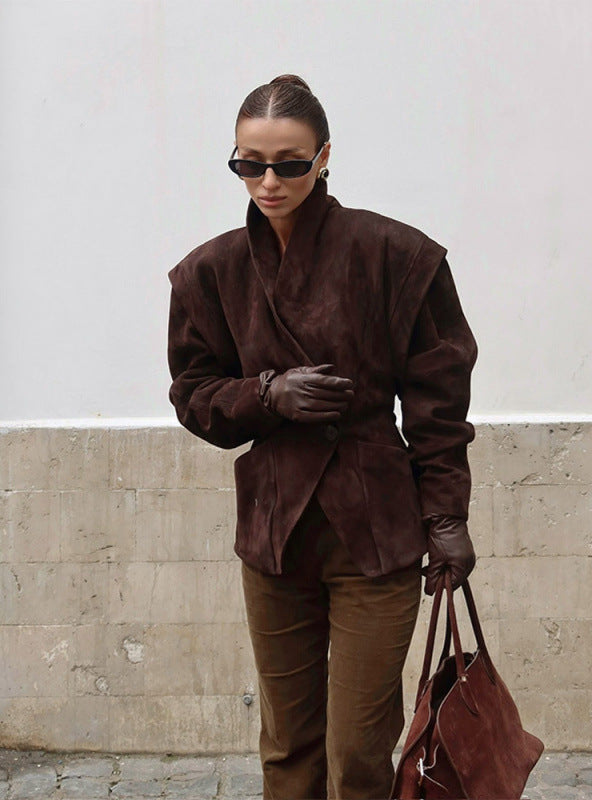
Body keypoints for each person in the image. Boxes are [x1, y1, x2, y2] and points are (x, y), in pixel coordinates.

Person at [167, 74, 478, 800]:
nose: (268, 182)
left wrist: (445, 518)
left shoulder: (397, 256)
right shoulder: (210, 273)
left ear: (325, 156)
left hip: (375, 529)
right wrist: (266, 394)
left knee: (359, 751)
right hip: (274, 531)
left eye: (290, 163)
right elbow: (193, 395)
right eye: (249, 164)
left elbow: (438, 403)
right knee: (288, 745)